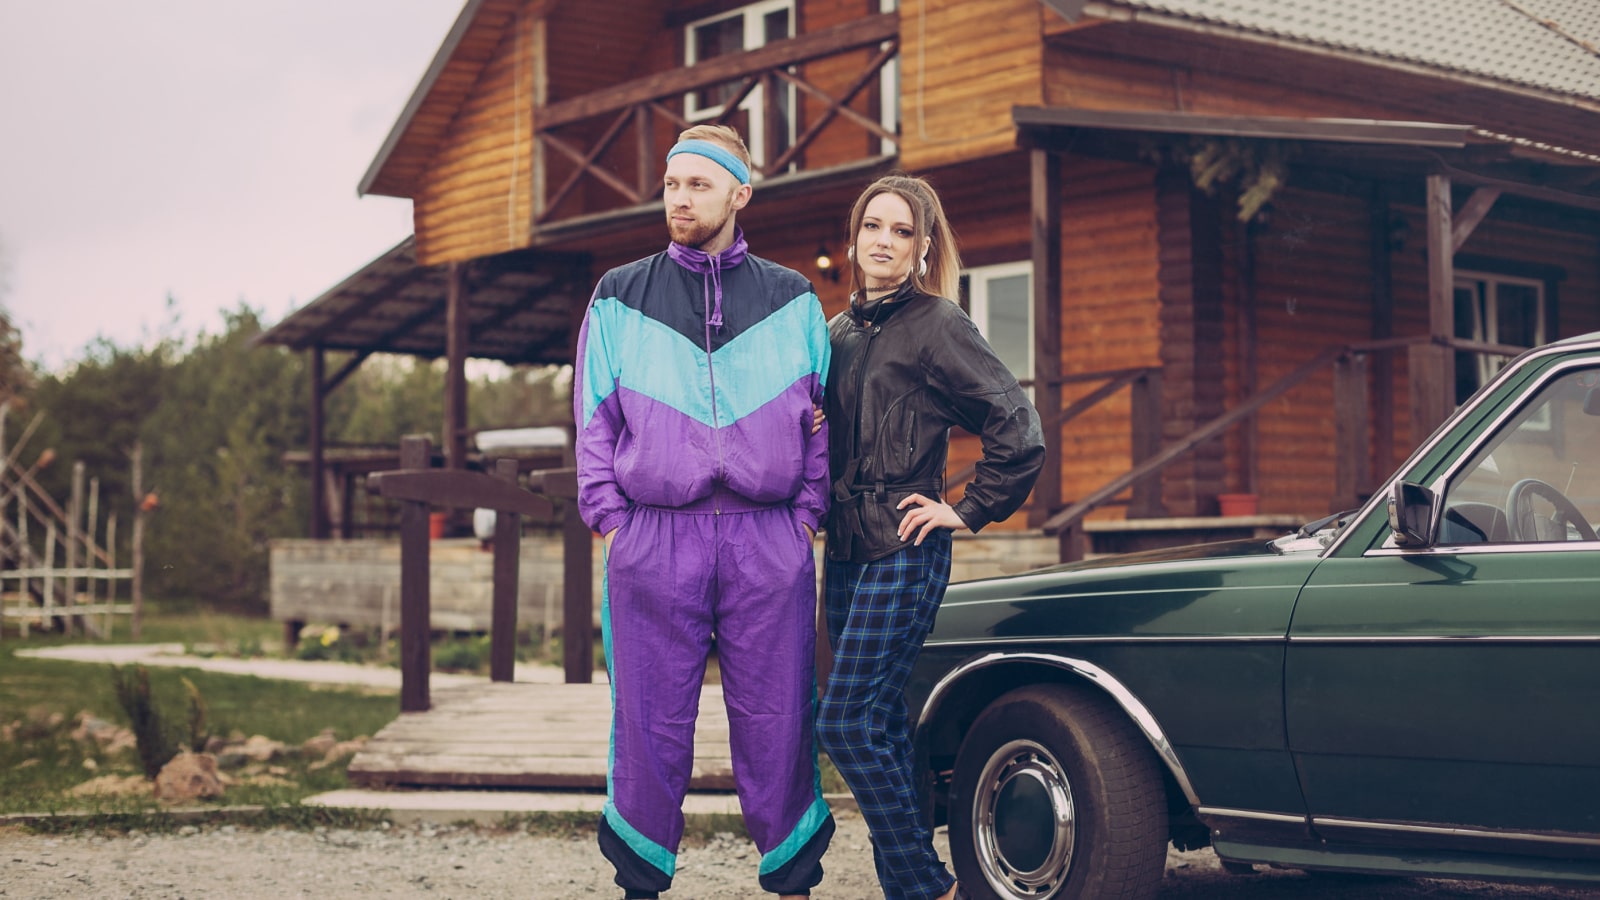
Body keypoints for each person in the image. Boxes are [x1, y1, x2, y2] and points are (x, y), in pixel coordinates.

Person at [572, 124, 835, 900]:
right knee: (649, 722)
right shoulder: (620, 295)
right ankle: (639, 884)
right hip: (653, 538)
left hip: (768, 541)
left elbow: (824, 423)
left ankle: (794, 882)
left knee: (780, 719)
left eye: (698, 185)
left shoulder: (793, 298)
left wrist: (805, 521)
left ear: (738, 194)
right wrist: (612, 524)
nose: (679, 200)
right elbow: (592, 419)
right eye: (671, 185)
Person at [816, 174, 1045, 900]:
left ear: (922, 248)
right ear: (854, 239)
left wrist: (968, 509)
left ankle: (926, 886)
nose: (884, 242)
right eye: (873, 227)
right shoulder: (837, 333)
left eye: (902, 231)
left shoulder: (940, 323)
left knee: (845, 723)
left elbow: (1018, 427)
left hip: (905, 547)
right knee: (880, 725)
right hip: (845, 553)